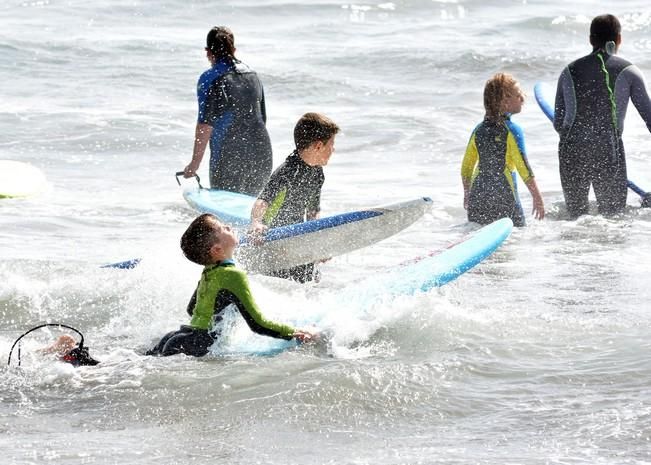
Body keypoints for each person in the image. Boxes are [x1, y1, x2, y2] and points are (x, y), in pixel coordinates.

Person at [147, 213, 315, 357]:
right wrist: (293, 332)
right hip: (200, 343)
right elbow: (258, 323)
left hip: (180, 336)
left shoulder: (209, 271)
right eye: (224, 229)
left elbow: (192, 309)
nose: (228, 226)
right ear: (217, 250)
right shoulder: (233, 275)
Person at [554, 14, 651, 218]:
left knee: (575, 217)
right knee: (613, 217)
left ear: (590, 40)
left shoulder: (568, 71)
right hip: (608, 148)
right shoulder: (629, 71)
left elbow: (558, 121)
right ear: (619, 39)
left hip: (571, 149)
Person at [249, 112, 340, 283]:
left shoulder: (317, 173)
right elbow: (262, 201)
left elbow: (313, 212)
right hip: (272, 242)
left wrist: (318, 244)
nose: (333, 149)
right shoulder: (288, 171)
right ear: (318, 146)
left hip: (295, 241)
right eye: (332, 144)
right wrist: (256, 223)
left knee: (313, 281)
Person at [183, 26, 273, 196]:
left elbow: (205, 125)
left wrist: (194, 164)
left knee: (226, 216)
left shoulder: (209, 78)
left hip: (228, 157)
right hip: (262, 153)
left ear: (208, 52)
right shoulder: (253, 75)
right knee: (252, 213)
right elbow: (262, 118)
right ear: (234, 49)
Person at [461, 73, 545, 227]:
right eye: (518, 95)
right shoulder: (512, 130)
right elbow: (523, 168)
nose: (523, 98)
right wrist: (537, 196)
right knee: (516, 239)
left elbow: (466, 167)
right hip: (504, 198)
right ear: (505, 101)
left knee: (477, 238)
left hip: (477, 199)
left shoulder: (478, 130)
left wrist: (467, 193)